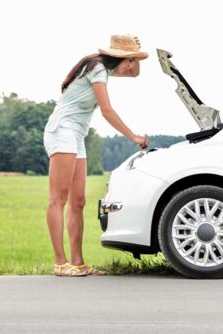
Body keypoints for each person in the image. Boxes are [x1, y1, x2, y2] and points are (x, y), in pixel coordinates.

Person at [44, 34, 150, 277]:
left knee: (78, 201)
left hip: (76, 135)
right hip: (62, 132)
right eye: (131, 60)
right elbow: (107, 111)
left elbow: (135, 74)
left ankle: (78, 263)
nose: (132, 67)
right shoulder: (98, 69)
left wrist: (137, 54)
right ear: (123, 58)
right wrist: (133, 136)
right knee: (58, 199)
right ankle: (60, 263)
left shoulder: (104, 68)